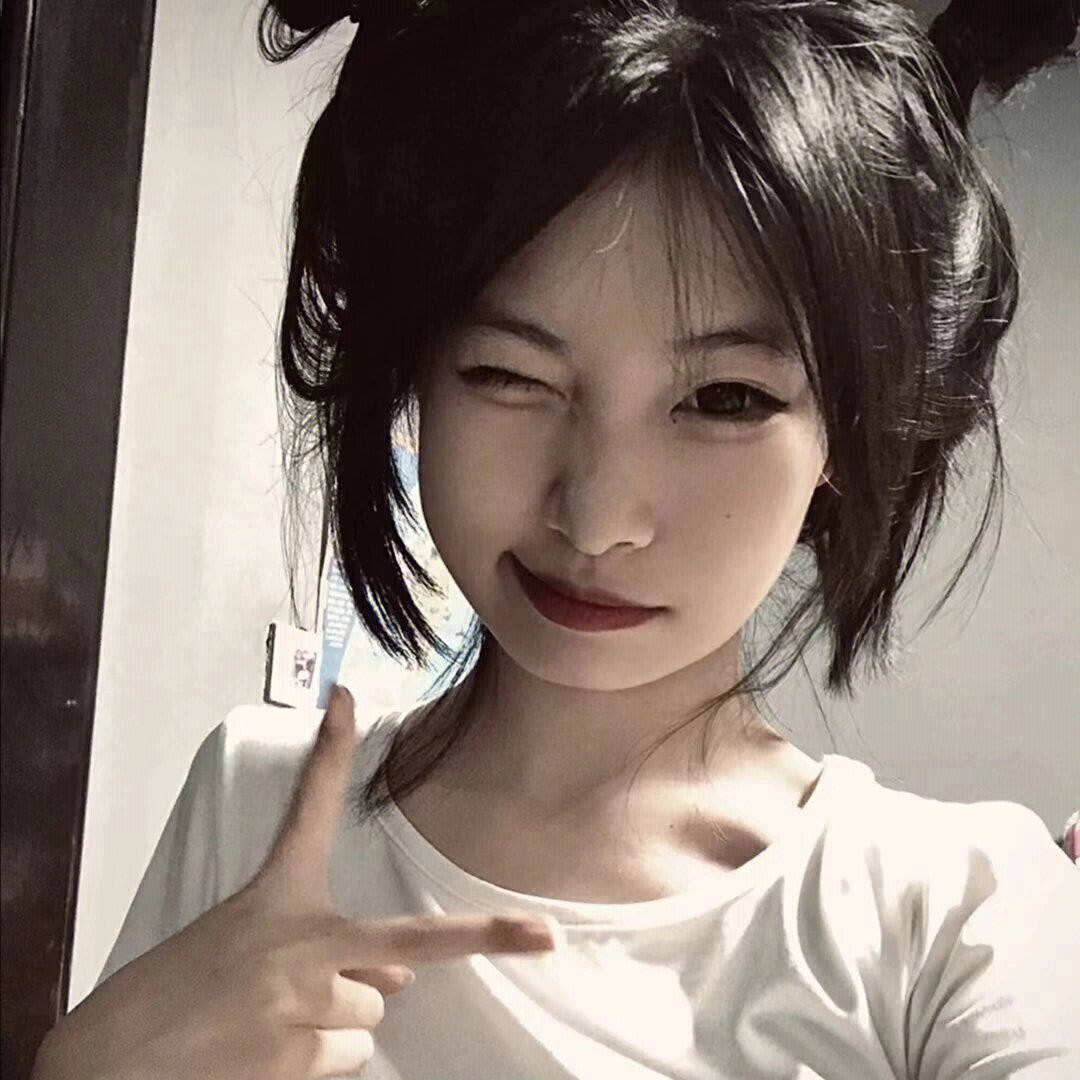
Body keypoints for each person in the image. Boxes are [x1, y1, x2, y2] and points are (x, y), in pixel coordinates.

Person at [33, 0, 1079, 1077]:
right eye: (509, 375)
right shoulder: (254, 807)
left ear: (846, 437)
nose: (596, 518)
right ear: (413, 376)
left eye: (725, 398)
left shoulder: (959, 915)